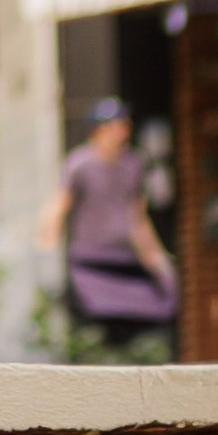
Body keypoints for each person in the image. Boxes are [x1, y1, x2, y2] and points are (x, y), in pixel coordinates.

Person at [40, 98, 178, 341]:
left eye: (125, 125)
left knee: (151, 314)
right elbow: (59, 205)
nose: (121, 132)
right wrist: (47, 251)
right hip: (89, 259)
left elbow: (137, 217)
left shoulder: (133, 164)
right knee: (90, 322)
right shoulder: (79, 164)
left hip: (123, 257)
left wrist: (156, 258)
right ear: (98, 130)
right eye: (115, 125)